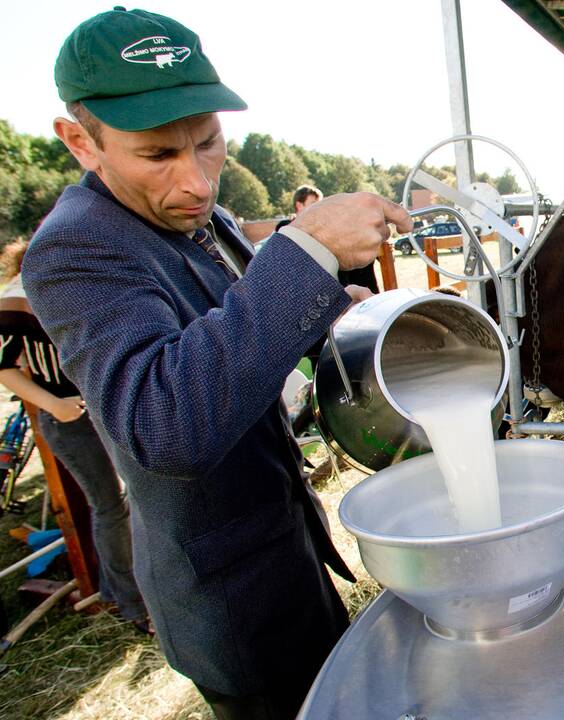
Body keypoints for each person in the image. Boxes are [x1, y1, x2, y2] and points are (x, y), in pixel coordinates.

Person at [22, 9, 411, 719]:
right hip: (229, 598)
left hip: (287, 551)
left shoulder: (208, 219)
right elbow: (165, 424)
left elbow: (231, 341)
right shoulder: (74, 250)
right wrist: (305, 251)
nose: (198, 183)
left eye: (208, 144)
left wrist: (335, 313)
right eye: (159, 156)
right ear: (81, 142)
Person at [0, 240, 151, 633]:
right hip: (68, 417)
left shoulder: (67, 285)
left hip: (98, 406)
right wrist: (54, 405)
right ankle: (131, 603)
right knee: (109, 505)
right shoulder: (18, 297)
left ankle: (134, 589)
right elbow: (3, 368)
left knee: (133, 499)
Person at [279, 184, 382, 295]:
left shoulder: (332, 230)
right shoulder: (285, 232)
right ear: (299, 205)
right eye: (314, 204)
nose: (318, 209)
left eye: (320, 204)